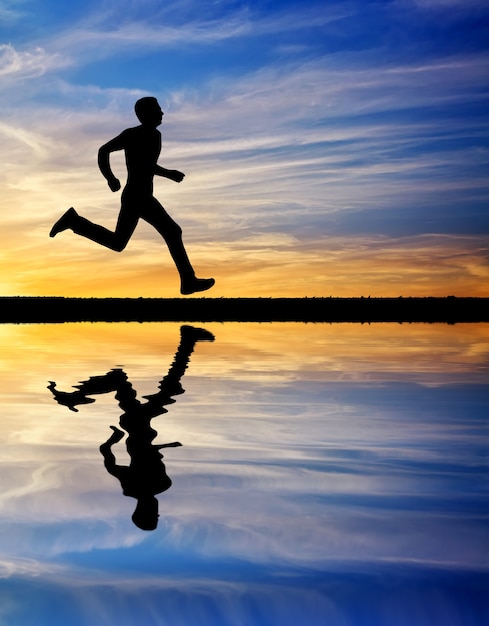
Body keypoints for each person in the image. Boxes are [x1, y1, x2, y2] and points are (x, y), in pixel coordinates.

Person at [50, 97, 215, 295]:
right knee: (172, 231)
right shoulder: (133, 135)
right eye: (158, 110)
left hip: (140, 195)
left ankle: (75, 221)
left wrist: (166, 173)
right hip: (137, 196)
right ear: (146, 114)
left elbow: (144, 163)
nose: (162, 113)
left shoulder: (156, 135)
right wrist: (110, 177)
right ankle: (188, 281)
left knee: (119, 242)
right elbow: (105, 151)